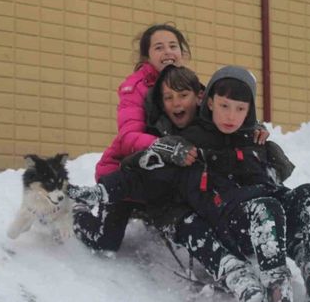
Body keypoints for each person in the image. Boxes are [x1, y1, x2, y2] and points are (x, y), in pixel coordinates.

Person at [71, 65, 310, 302]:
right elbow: (143, 172)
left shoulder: (252, 140)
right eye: (224, 106)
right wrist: (102, 191)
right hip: (230, 220)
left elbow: (279, 176)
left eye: (239, 109)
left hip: (267, 213)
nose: (231, 116)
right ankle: (276, 285)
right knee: (266, 207)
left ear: (249, 111)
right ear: (208, 102)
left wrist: (268, 148)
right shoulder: (192, 143)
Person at [72, 27, 268, 302]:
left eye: (172, 46)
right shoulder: (135, 87)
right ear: (146, 55)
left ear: (183, 52)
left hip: (170, 170)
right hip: (126, 170)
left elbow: (224, 110)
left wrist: (252, 128)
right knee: (106, 241)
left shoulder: (192, 85)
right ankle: (78, 213)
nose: (167, 52)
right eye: (159, 47)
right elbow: (128, 137)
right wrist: (164, 147)